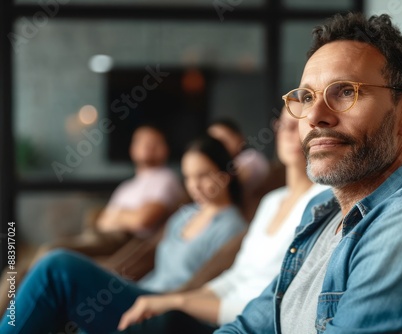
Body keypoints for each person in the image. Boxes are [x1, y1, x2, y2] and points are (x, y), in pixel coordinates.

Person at [215, 13, 402, 333]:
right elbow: (251, 325)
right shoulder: (322, 213)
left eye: (344, 92)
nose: (314, 116)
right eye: (308, 96)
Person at [112, 109, 333, 333]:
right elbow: (236, 276)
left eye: (300, 122)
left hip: (250, 321)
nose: (289, 131)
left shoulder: (325, 201)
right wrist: (182, 300)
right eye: (283, 123)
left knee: (79, 277)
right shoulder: (270, 201)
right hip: (213, 311)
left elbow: (281, 303)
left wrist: (178, 302)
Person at [0, 135, 247, 333]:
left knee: (57, 265)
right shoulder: (184, 214)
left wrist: (168, 300)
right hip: (141, 291)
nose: (194, 185)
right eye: (189, 177)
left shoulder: (232, 227)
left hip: (167, 306)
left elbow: (209, 287)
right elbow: (146, 254)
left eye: (203, 175)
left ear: (224, 175)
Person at [0, 124, 187, 309]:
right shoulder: (127, 186)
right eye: (142, 142)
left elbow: (142, 220)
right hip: (101, 236)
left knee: (51, 252)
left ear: (165, 149)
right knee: (14, 272)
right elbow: (102, 220)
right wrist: (122, 216)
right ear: (132, 148)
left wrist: (117, 215)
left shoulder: (165, 179)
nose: (148, 146)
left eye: (154, 142)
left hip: (122, 242)